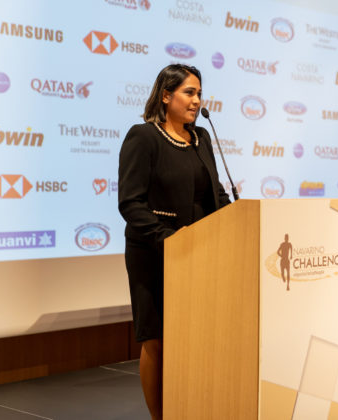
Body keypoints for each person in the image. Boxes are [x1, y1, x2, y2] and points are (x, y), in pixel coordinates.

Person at [118, 64, 230, 420]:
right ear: (166, 96)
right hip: (154, 252)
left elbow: (216, 194)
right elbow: (131, 203)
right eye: (189, 92)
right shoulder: (144, 137)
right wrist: (167, 239)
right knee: (158, 340)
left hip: (200, 253)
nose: (197, 101)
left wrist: (237, 222)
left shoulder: (202, 139)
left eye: (199, 94)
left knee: (194, 339)